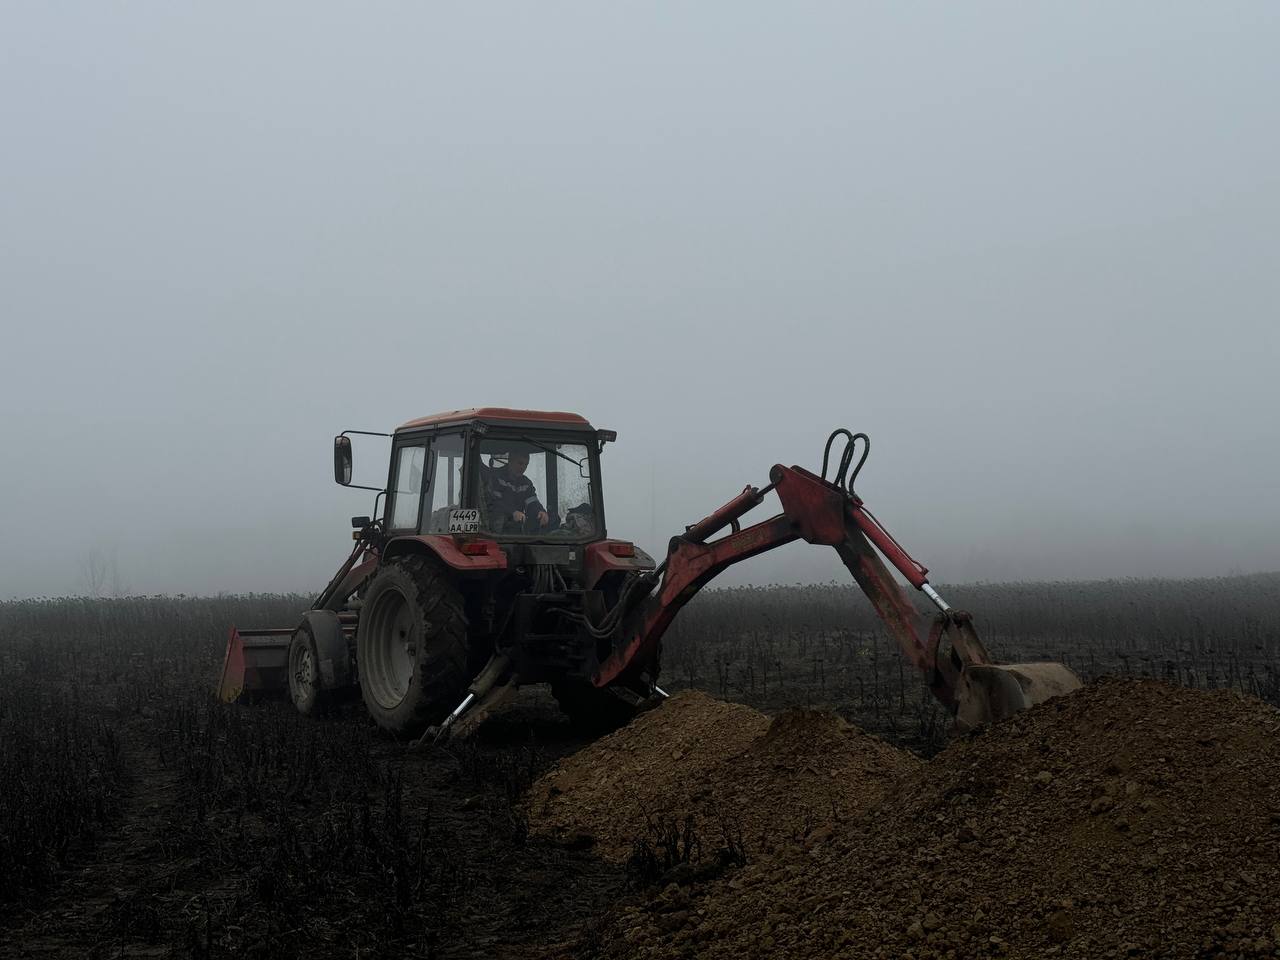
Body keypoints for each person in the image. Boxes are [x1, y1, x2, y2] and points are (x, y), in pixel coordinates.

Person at [484, 450, 549, 531]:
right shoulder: (496, 478)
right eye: (520, 463)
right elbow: (494, 502)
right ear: (510, 461)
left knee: (552, 518)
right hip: (497, 527)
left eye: (526, 464)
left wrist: (540, 512)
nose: (523, 468)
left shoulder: (526, 483)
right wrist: (513, 513)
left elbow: (532, 502)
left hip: (518, 524)